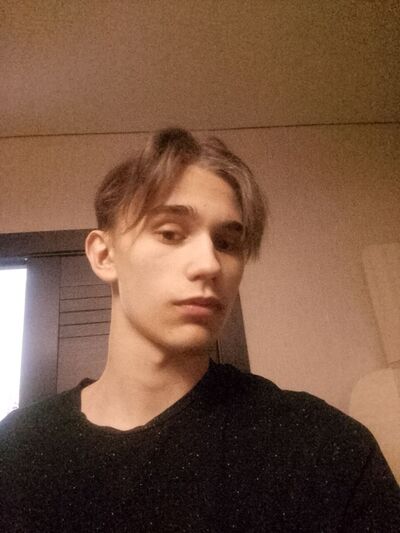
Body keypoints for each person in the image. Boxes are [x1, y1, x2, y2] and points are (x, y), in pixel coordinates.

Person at [0, 128, 399, 532]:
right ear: (104, 255)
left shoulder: (322, 447)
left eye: (226, 243)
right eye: (170, 233)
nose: (209, 264)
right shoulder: (16, 449)